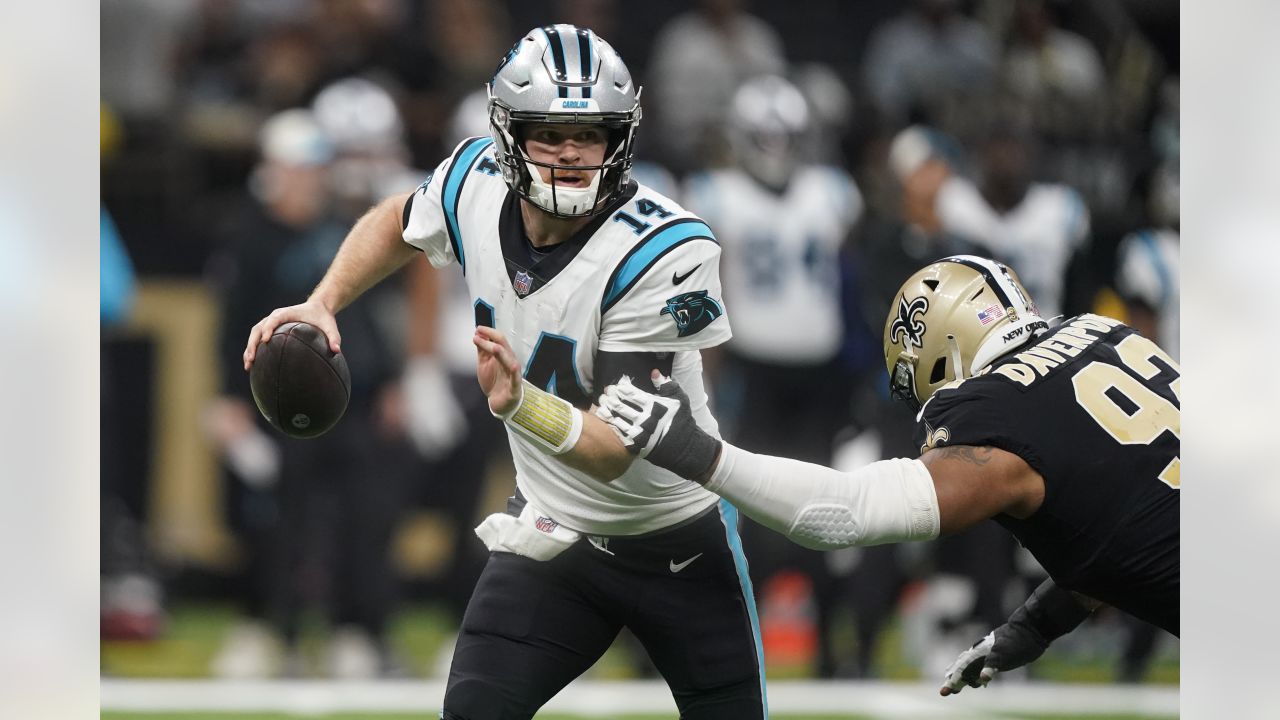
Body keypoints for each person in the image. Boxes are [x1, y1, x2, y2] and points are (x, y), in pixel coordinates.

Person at [244, 25, 765, 718]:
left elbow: (615, 449)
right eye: (550, 132)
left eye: (594, 133)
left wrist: (521, 405)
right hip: (557, 538)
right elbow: (396, 222)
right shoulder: (473, 183)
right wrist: (323, 300)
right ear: (507, 134)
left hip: (677, 538)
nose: (574, 153)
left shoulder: (661, 248)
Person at [479, 254, 1176, 694]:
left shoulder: (999, 411)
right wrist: (1040, 623)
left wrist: (695, 451)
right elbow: (1127, 496)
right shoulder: (1105, 334)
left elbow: (847, 513)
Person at [683, 73, 865, 677]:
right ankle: (747, 646)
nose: (775, 146)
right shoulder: (719, 194)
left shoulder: (829, 193)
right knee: (754, 511)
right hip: (754, 369)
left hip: (820, 373)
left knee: (827, 509)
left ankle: (829, 649)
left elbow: (850, 288)